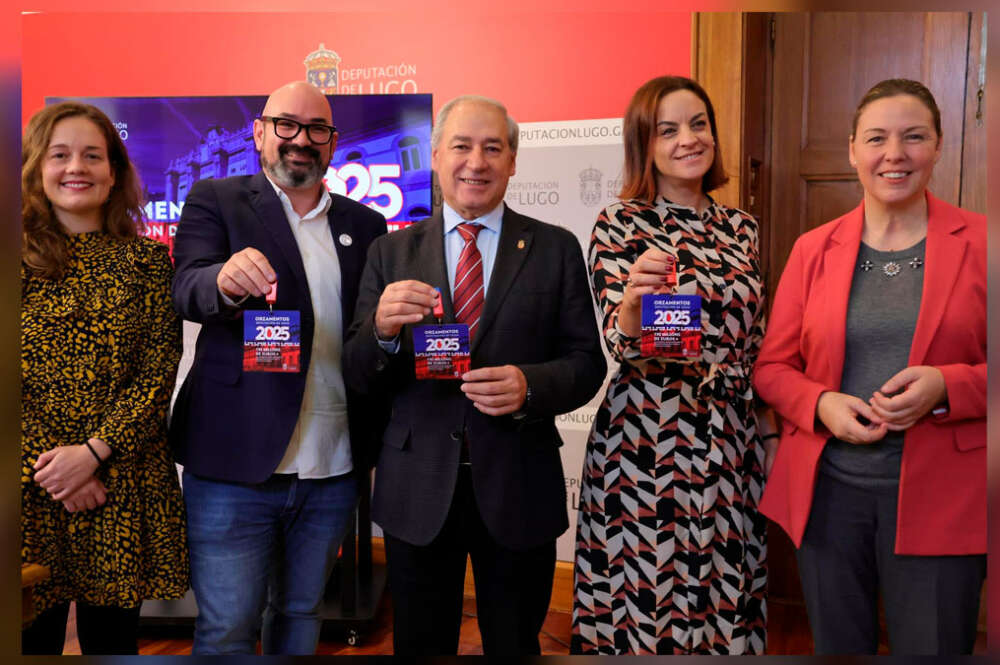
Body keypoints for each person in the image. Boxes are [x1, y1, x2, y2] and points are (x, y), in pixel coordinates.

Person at [342, 94, 606, 657]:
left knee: (514, 644)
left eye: (493, 147)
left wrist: (530, 386)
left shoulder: (555, 248)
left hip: (517, 483)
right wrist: (382, 331)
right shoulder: (389, 252)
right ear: (436, 157)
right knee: (421, 644)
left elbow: (587, 363)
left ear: (513, 161)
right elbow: (358, 373)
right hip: (417, 488)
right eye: (461, 146)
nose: (476, 162)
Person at [753, 79, 986, 655]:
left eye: (914, 137)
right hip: (829, 499)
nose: (894, 154)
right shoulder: (814, 248)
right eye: (877, 138)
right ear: (853, 149)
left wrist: (947, 384)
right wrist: (821, 403)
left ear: (937, 147)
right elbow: (773, 368)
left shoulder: (984, 242)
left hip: (947, 499)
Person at [169, 81, 387, 655]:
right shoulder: (215, 199)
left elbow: (367, 335)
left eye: (317, 129)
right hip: (232, 465)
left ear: (332, 143)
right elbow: (187, 286)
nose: (300, 140)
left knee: (300, 617)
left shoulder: (366, 226)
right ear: (261, 132)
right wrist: (220, 280)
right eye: (286, 125)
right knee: (227, 631)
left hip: (333, 468)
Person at [571, 76, 776, 655]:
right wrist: (634, 309)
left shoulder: (743, 228)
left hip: (731, 438)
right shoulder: (621, 223)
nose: (689, 139)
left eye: (699, 124)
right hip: (646, 439)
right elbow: (621, 342)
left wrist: (769, 435)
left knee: (724, 584)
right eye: (668, 130)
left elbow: (756, 341)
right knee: (646, 595)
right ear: (646, 144)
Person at [20, 101, 188, 654]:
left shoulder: (148, 262)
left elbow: (158, 371)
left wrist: (93, 453)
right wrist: (59, 469)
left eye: (93, 155)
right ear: (35, 167)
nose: (77, 167)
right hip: (29, 490)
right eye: (61, 154)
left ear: (113, 172)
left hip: (121, 483)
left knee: (112, 644)